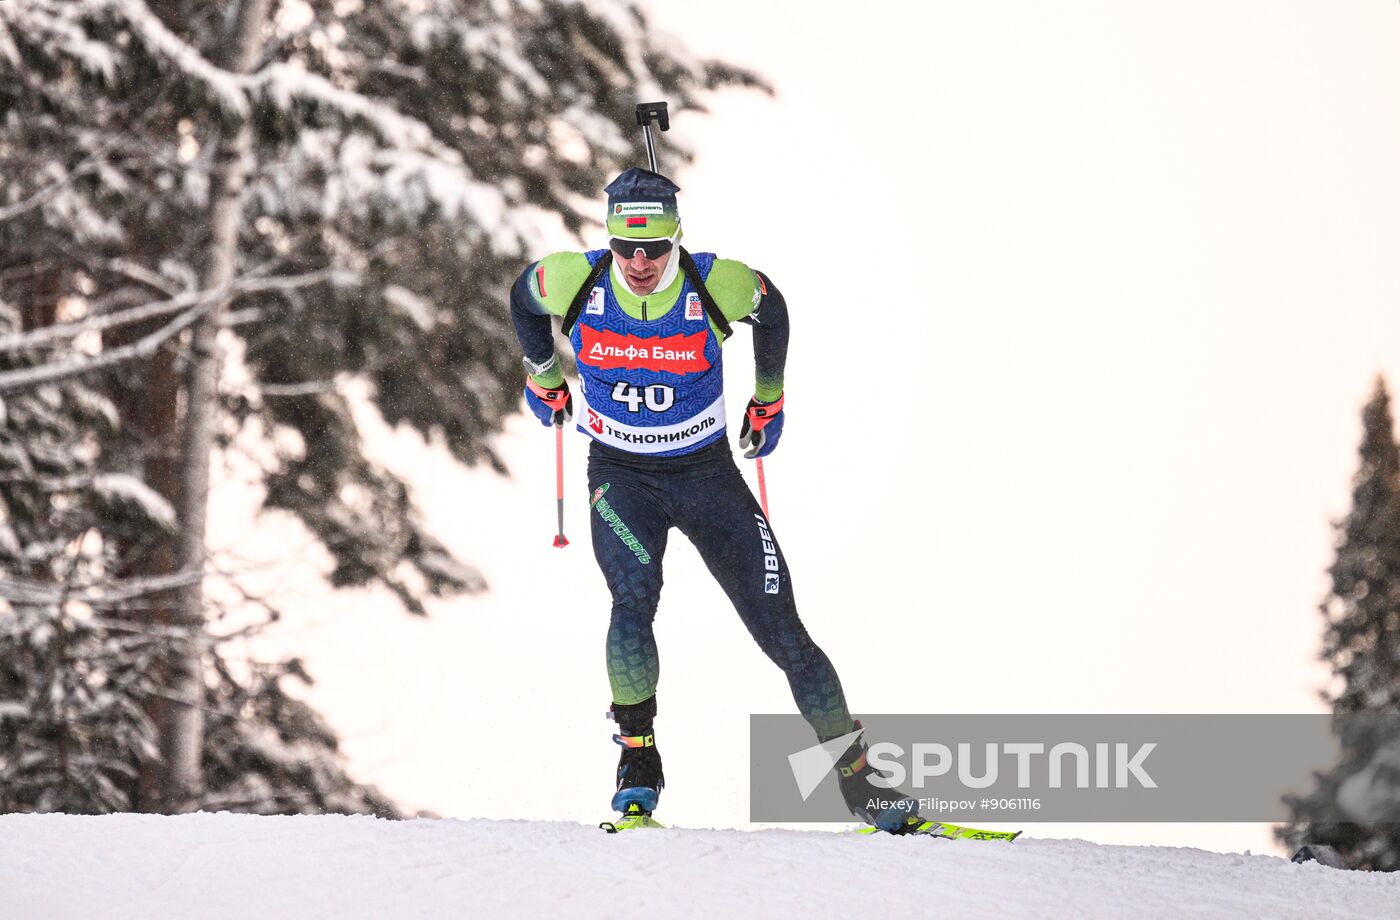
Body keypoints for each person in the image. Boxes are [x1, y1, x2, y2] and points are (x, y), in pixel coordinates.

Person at [508, 168, 908, 832]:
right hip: (621, 478)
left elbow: (770, 305)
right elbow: (523, 300)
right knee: (632, 601)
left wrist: (770, 395)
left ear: (676, 240)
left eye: (655, 249)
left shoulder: (709, 281)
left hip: (706, 476)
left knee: (782, 630)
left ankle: (859, 779)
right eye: (626, 249)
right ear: (607, 239)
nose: (639, 264)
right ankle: (638, 760)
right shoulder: (572, 279)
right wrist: (543, 374)